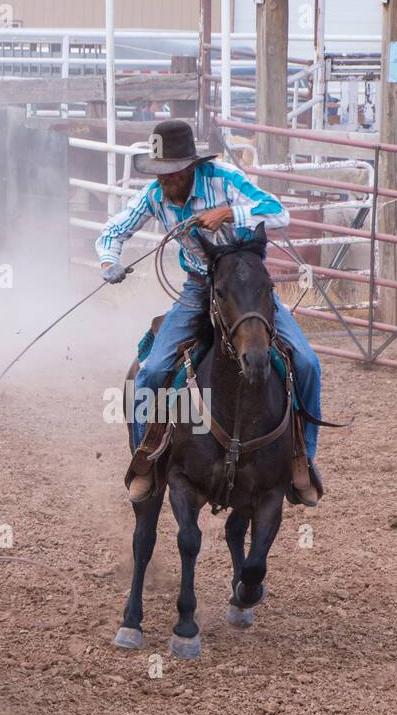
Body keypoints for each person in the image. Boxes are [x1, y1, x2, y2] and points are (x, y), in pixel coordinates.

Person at [96, 119, 323, 506]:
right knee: (150, 372)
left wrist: (229, 213)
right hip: (200, 287)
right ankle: (146, 461)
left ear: (190, 168)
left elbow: (279, 211)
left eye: (170, 174)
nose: (164, 182)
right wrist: (108, 262)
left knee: (306, 363)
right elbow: (114, 230)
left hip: (245, 287)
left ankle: (301, 459)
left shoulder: (223, 179)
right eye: (159, 174)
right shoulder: (155, 196)